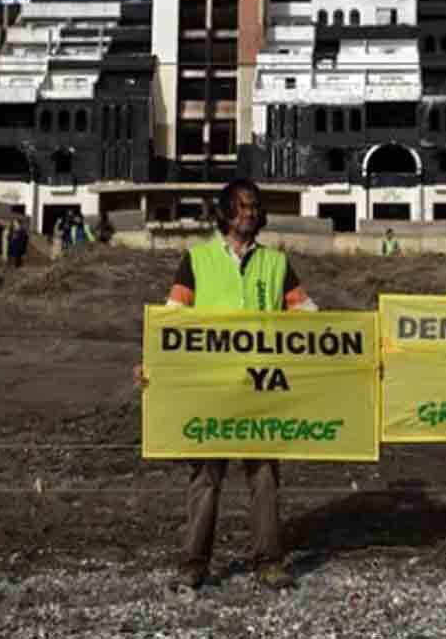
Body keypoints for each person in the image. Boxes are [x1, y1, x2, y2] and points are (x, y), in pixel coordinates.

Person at [136, 179, 317, 592]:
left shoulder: (277, 264)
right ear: (223, 212)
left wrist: (353, 347)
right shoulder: (196, 260)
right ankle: (193, 563)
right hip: (210, 390)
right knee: (204, 477)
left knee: (265, 476)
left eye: (253, 206)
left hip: (262, 388)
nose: (248, 213)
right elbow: (173, 320)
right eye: (240, 206)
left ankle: (269, 562)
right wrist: (151, 364)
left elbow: (309, 318)